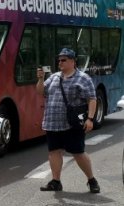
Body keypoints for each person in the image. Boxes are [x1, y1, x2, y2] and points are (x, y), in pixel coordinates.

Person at [36, 48, 100, 193]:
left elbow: (92, 99)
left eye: (63, 60)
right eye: (59, 60)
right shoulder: (54, 77)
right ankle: (56, 181)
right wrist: (40, 79)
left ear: (72, 61)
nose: (60, 62)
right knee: (54, 152)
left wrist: (90, 119)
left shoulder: (83, 78)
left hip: (72, 124)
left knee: (78, 152)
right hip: (52, 122)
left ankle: (91, 180)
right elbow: (41, 92)